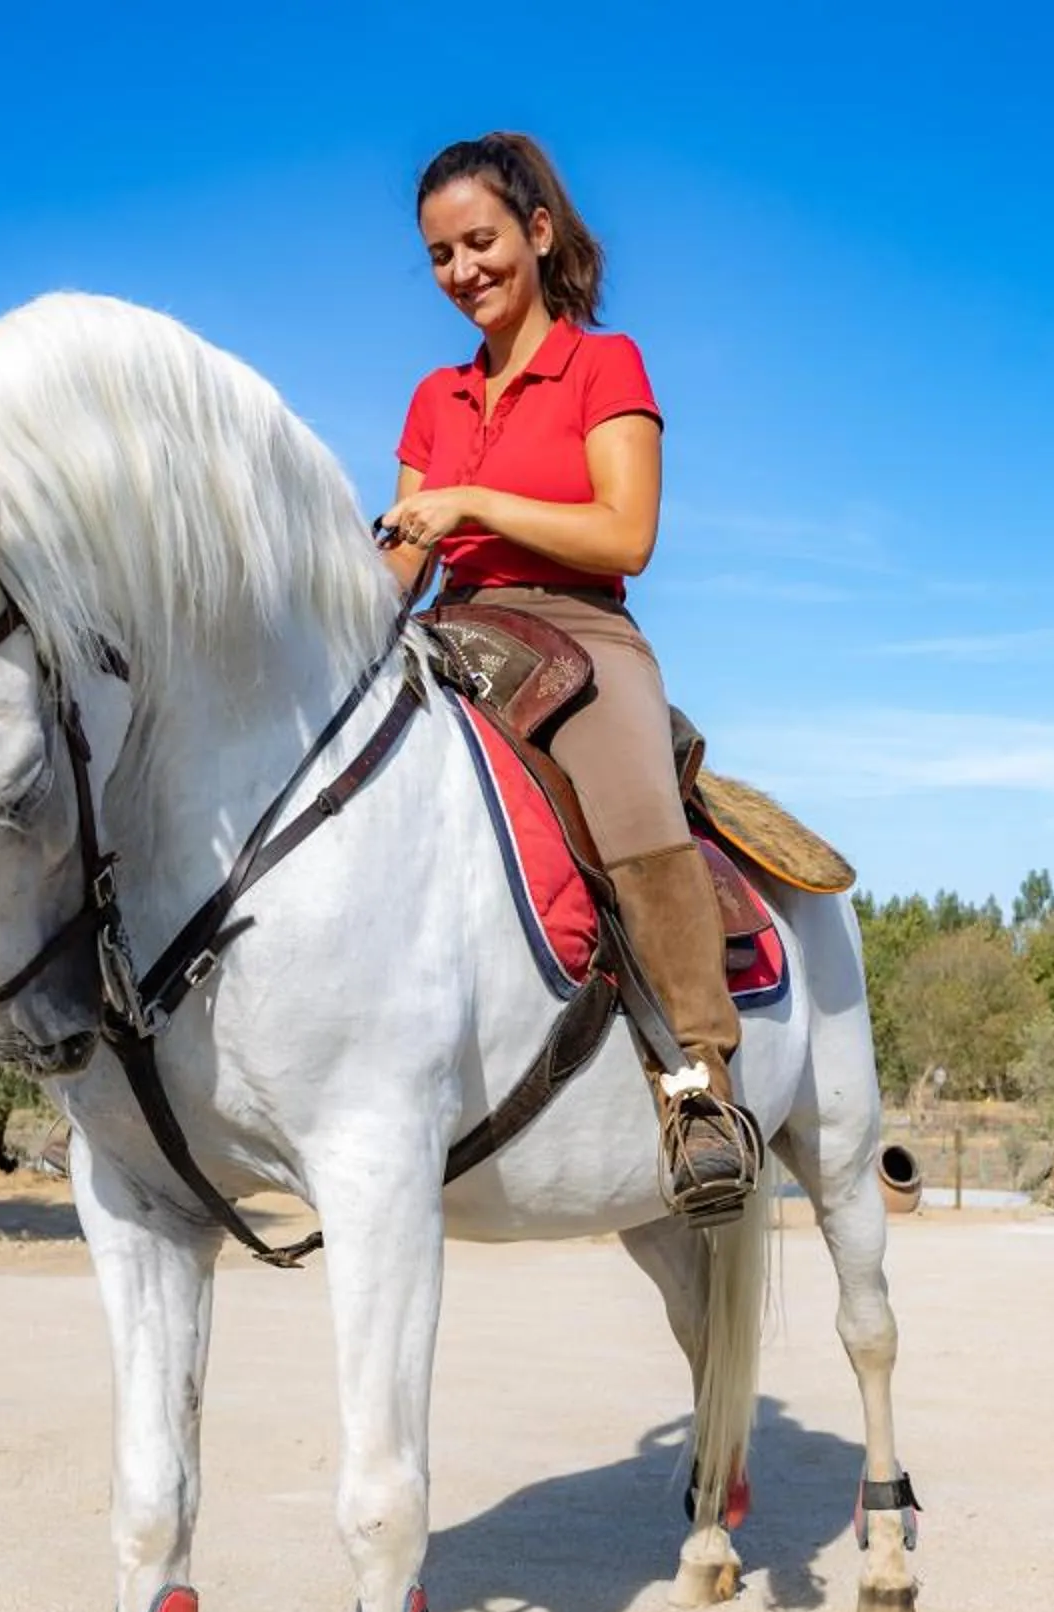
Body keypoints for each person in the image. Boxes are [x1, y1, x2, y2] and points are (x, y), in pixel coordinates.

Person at [378, 131, 758, 1224]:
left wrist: (473, 504)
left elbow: (625, 534)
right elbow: (406, 554)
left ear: (538, 234)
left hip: (581, 637)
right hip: (453, 633)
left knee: (636, 807)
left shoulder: (606, 364)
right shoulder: (433, 399)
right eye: (441, 255)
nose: (463, 272)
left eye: (482, 242)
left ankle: (701, 1086)